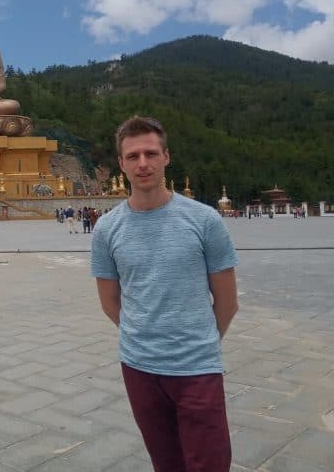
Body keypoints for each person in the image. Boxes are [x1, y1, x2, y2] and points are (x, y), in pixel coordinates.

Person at [91, 116, 238, 471]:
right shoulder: (107, 229)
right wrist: (142, 335)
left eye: (150, 153)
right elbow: (111, 302)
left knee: (210, 462)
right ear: (122, 164)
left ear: (166, 157)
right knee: (166, 461)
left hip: (196, 367)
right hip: (139, 366)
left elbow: (228, 302)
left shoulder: (205, 221)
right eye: (133, 156)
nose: (143, 163)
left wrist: (198, 339)